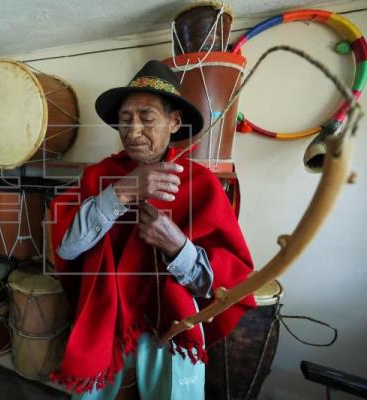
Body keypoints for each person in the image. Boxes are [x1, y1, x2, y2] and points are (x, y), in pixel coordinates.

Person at [48, 60, 256, 399]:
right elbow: (67, 248)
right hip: (106, 323)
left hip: (173, 329)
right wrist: (121, 192)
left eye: (146, 118)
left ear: (174, 122)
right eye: (125, 119)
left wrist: (179, 248)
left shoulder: (201, 184)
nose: (132, 131)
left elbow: (228, 286)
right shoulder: (98, 175)